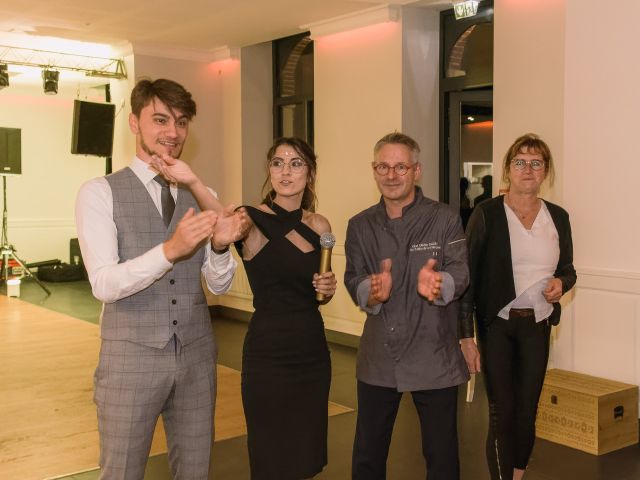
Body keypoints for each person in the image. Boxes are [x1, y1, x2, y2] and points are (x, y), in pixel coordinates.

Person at [75, 78, 246, 480]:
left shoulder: (201, 192)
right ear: (135, 123)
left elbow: (219, 286)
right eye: (160, 119)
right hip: (130, 359)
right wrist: (170, 250)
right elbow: (104, 283)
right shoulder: (99, 192)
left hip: (197, 357)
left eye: (181, 122)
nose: (173, 132)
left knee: (195, 470)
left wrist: (219, 249)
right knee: (122, 472)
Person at [152, 137, 337, 480]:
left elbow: (319, 291)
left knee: (304, 453)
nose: (285, 171)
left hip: (311, 351)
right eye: (278, 162)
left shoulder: (319, 226)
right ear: (269, 171)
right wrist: (192, 180)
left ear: (309, 174)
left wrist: (327, 289)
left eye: (296, 163)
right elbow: (221, 214)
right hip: (268, 353)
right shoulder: (252, 219)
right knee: (270, 454)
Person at [344, 132, 474, 480]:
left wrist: (439, 283)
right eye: (383, 166)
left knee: (441, 455)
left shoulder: (444, 218)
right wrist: (370, 292)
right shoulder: (360, 225)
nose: (391, 175)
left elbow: (461, 271)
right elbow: (352, 275)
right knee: (368, 454)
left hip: (434, 355)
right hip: (379, 358)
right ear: (374, 170)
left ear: (416, 170)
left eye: (400, 166)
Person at [460, 133, 576, 480]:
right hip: (497, 326)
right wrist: (466, 336)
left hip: (537, 326)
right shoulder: (487, 214)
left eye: (536, 162)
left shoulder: (558, 216)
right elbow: (467, 277)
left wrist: (561, 284)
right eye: (520, 162)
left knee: (527, 412)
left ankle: (518, 474)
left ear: (546, 171)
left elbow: (568, 269)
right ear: (508, 169)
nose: (528, 169)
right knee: (501, 411)